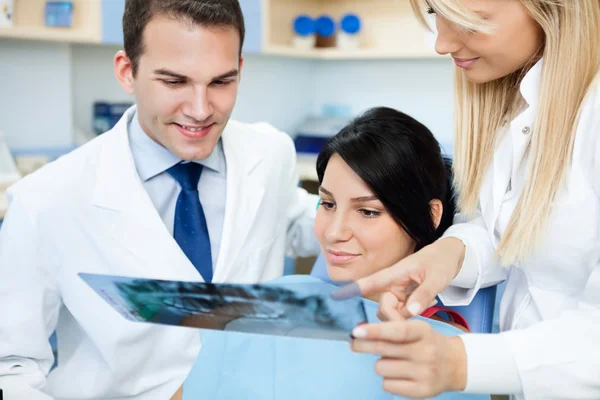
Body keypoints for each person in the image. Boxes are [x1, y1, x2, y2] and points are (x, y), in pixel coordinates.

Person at [0, 1, 319, 399]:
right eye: (174, 82)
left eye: (221, 82)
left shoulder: (270, 154)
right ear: (126, 71)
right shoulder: (44, 201)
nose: (201, 110)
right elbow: (11, 367)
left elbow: (299, 223)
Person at [347, 1, 600, 399]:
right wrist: (449, 253)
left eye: (469, 21)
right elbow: (516, 227)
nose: (442, 44)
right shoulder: (522, 105)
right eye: (435, 14)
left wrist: (459, 362)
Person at [182, 107, 488, 400]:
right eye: (327, 204)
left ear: (431, 215)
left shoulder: (443, 350)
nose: (333, 232)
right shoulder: (271, 304)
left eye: (367, 212)